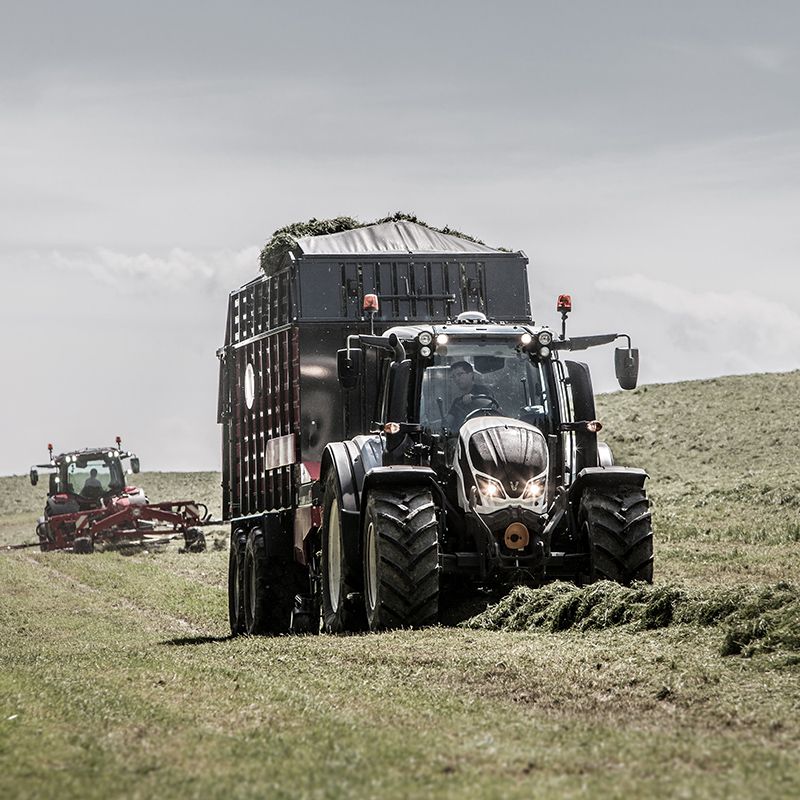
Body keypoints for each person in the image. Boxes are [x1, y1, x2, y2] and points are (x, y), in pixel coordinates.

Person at [446, 361, 494, 429]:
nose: (456, 379)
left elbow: (489, 402)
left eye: (460, 374)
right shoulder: (457, 402)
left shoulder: (483, 390)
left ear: (471, 374)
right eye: (453, 377)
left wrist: (474, 399)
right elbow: (448, 421)